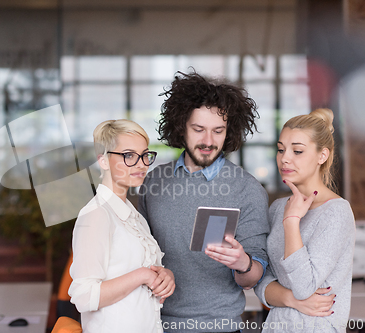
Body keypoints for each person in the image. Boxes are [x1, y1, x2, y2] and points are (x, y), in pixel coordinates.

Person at [138, 70, 270, 333]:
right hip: (154, 325)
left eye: (218, 131)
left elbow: (255, 275)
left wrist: (242, 263)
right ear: (181, 127)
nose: (208, 141)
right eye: (198, 129)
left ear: (229, 132)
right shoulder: (154, 182)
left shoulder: (247, 189)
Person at [254, 108, 356, 333]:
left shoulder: (336, 213)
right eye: (281, 150)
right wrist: (290, 299)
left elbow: (305, 287)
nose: (285, 158)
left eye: (297, 151)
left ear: (323, 155)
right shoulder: (278, 208)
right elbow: (261, 280)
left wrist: (291, 222)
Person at [69, 119, 176, 333]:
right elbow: (84, 296)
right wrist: (142, 275)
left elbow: (136, 274)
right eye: (129, 155)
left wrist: (163, 276)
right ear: (104, 161)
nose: (141, 164)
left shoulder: (135, 217)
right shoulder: (96, 214)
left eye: (145, 155)